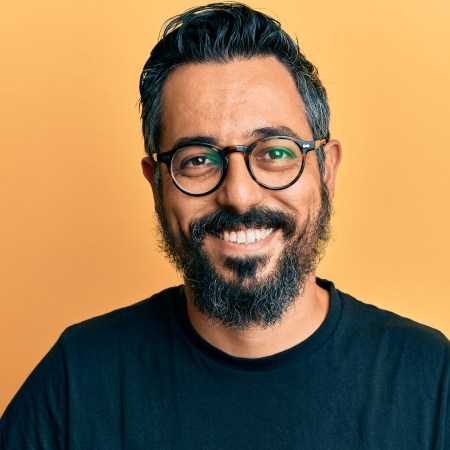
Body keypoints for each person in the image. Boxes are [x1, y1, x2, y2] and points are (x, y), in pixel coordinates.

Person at [1, 3, 448, 448]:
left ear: (326, 170)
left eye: (275, 152)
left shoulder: (432, 381)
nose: (239, 195)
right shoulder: (75, 384)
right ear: (157, 185)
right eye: (198, 160)